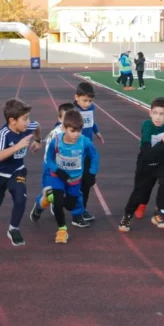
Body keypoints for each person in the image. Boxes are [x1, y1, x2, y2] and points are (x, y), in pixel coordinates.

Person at [119, 97, 164, 232]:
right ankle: (127, 216)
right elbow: (146, 152)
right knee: (139, 193)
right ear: (150, 113)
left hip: (162, 162)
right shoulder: (147, 126)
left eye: (162, 114)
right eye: (155, 113)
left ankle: (158, 213)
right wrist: (163, 144)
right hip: (146, 163)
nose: (158, 117)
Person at [0, 98, 41, 246]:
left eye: (28, 117)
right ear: (12, 120)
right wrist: (18, 146)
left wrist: (38, 141)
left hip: (17, 171)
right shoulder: (4, 133)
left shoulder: (28, 126)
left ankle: (13, 229)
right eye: (25, 119)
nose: (28, 122)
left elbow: (37, 126)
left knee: (21, 199)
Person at [42, 110, 99, 243]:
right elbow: (49, 159)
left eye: (79, 131)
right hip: (58, 177)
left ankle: (49, 197)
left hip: (75, 179)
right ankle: (62, 230)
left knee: (69, 205)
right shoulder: (56, 141)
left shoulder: (85, 142)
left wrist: (92, 172)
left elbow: (95, 156)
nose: (76, 134)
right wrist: (57, 170)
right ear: (64, 128)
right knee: (58, 203)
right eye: (72, 131)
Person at [29, 102, 74, 222]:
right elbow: (49, 157)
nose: (68, 122)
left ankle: (56, 202)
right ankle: (39, 206)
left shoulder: (76, 132)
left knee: (65, 192)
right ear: (59, 119)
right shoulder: (56, 134)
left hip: (67, 167)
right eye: (65, 119)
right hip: (51, 168)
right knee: (50, 194)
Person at [70, 82, 104, 225]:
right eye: (85, 100)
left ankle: (82, 209)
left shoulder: (91, 108)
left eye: (90, 101)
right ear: (76, 97)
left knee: (88, 181)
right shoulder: (72, 112)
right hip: (75, 153)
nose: (88, 103)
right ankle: (75, 214)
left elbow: (92, 122)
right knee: (75, 183)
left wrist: (97, 132)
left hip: (88, 150)